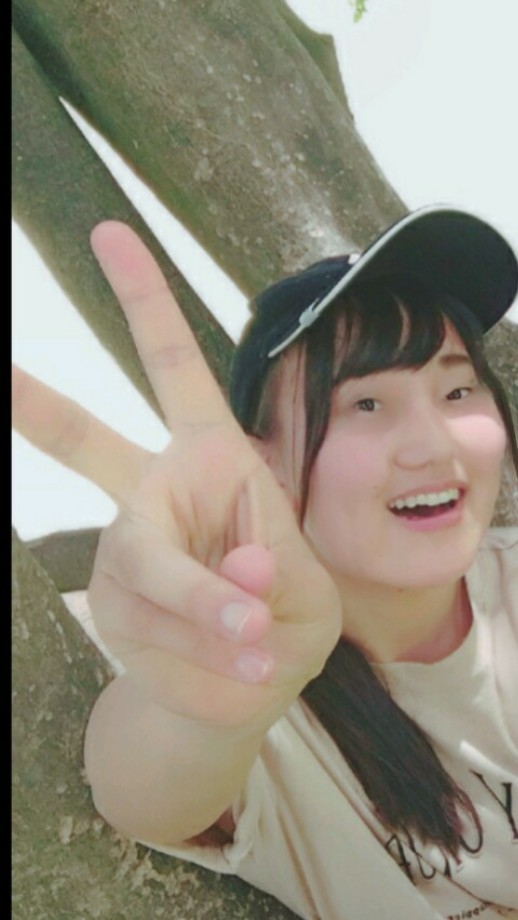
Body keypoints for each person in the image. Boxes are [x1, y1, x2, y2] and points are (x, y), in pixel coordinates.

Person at [12, 206, 518, 920]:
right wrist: (205, 713)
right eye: (366, 403)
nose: (433, 444)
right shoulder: (264, 683)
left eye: (457, 391)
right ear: (264, 465)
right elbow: (138, 791)